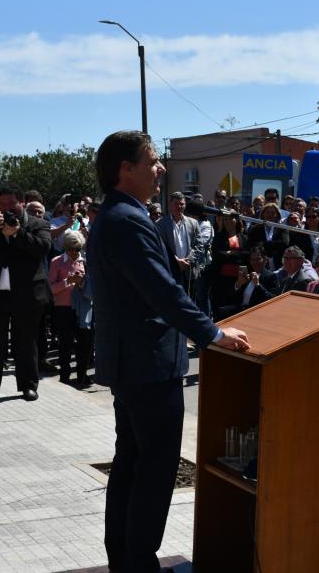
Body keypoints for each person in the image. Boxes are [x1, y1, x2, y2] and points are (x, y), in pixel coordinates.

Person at [88, 130, 249, 572]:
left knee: (131, 463)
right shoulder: (127, 219)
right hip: (148, 366)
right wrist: (212, 334)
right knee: (153, 471)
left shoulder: (119, 214)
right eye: (153, 160)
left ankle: (125, 558)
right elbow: (162, 291)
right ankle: (139, 561)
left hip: (136, 363)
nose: (161, 169)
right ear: (126, 169)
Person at [0, 186, 53, 403]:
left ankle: (28, 386)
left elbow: (42, 248)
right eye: (2, 204)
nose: (7, 208)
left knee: (25, 342)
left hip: (26, 294)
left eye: (11, 204)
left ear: (22, 202)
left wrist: (17, 234)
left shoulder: (38, 223)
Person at [49, 231, 91, 385]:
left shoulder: (86, 261)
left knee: (85, 343)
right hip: (63, 308)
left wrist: (81, 282)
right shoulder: (56, 261)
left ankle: (82, 374)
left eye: (77, 249)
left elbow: (92, 287)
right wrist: (68, 281)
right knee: (65, 343)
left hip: (84, 308)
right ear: (65, 247)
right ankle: (64, 374)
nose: (74, 252)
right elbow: (51, 288)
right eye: (70, 249)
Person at [156, 192, 203, 292]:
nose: (179, 206)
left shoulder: (193, 223)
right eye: (176, 204)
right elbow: (160, 246)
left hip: (189, 272)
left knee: (191, 302)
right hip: (171, 271)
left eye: (182, 204)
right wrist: (176, 261)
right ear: (170, 206)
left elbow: (199, 245)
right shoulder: (161, 224)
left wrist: (189, 260)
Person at [246, 202, 290, 269]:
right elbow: (252, 244)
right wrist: (271, 245)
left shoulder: (282, 229)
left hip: (277, 264)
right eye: (267, 212)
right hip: (258, 264)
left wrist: (264, 244)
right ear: (263, 214)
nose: (270, 215)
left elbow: (284, 243)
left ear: (277, 215)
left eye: (273, 213)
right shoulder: (255, 229)